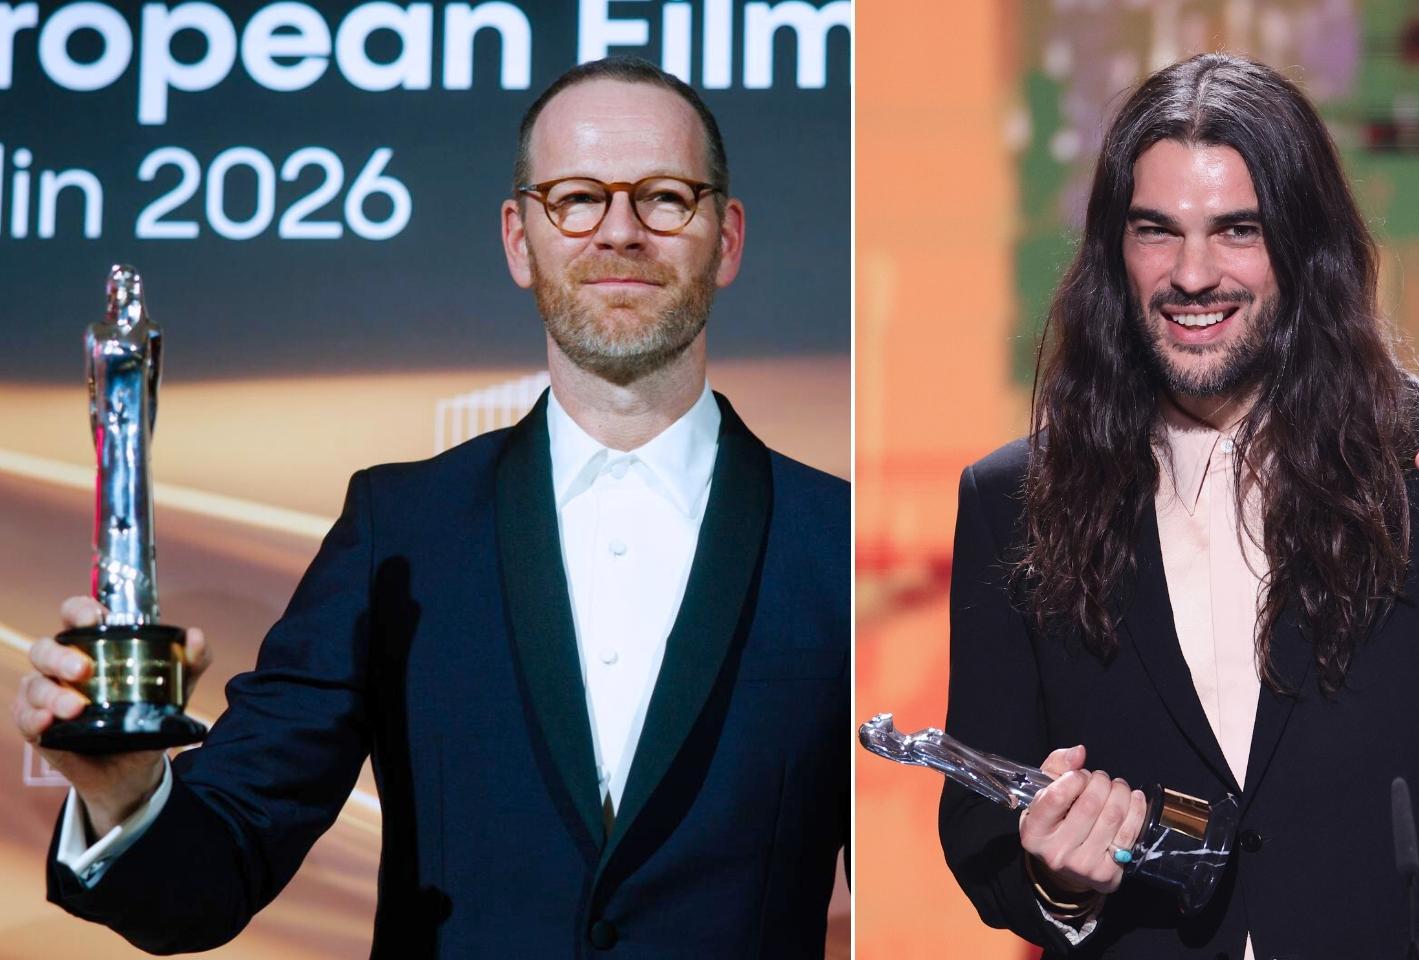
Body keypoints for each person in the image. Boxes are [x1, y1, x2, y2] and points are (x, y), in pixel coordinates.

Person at [14, 57, 849, 957]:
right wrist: (125, 792)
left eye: (665, 197)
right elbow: (212, 879)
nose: (619, 231)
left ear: (726, 238)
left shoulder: (837, 542)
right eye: (575, 197)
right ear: (518, 239)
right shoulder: (399, 532)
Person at [938, 53, 1419, 959]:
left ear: (1304, 246)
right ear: (1113, 252)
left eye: (1238, 230)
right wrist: (1056, 876)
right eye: (1157, 231)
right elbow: (978, 823)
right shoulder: (1015, 500)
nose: (1192, 275)